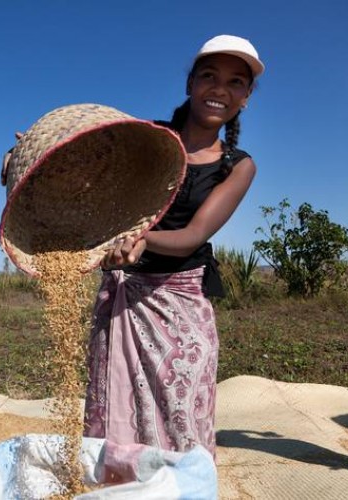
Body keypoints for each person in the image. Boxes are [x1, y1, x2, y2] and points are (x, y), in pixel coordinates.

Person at [83, 34, 264, 458]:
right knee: (114, 403)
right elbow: (87, 168)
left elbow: (192, 236)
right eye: (209, 76)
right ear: (190, 84)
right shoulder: (149, 138)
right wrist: (28, 158)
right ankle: (119, 481)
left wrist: (140, 241)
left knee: (183, 408)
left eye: (236, 82)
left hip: (181, 296)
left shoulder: (237, 166)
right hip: (124, 291)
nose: (220, 89)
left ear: (246, 97)